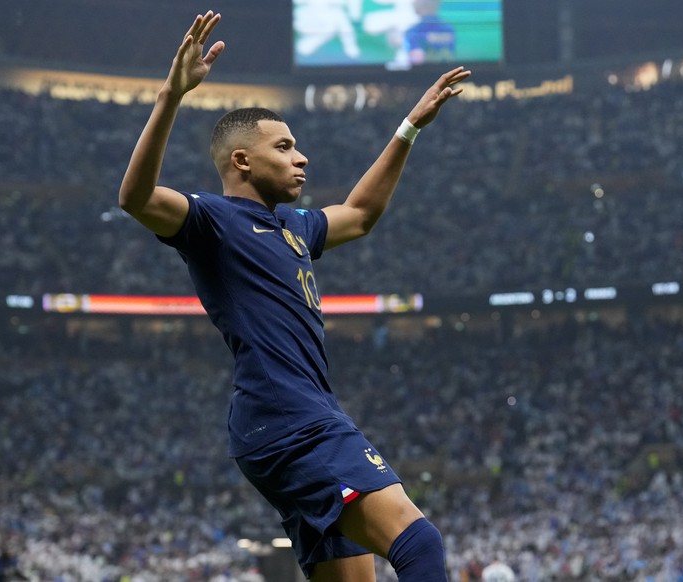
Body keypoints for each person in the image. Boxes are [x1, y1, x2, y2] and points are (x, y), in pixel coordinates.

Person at [118, 10, 470, 582]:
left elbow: (359, 213)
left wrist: (410, 126)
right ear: (242, 161)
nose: (300, 157)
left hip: (292, 419)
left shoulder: (294, 227)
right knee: (420, 543)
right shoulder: (213, 221)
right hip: (290, 420)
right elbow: (136, 197)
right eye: (284, 147)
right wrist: (170, 97)